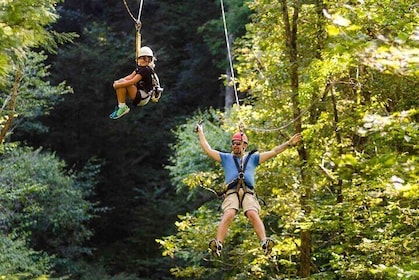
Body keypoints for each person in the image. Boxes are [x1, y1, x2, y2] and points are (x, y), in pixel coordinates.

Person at [196, 123, 302, 257]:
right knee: (228, 214)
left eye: (238, 143)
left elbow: (274, 152)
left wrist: (288, 143)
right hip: (232, 192)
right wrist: (200, 132)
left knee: (252, 213)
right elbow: (208, 149)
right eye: (233, 143)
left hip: (248, 192)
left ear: (244, 145)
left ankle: (264, 242)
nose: (235, 146)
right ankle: (218, 244)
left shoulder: (253, 158)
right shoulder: (226, 158)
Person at [109, 46, 163, 120]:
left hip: (143, 97)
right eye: (144, 58)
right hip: (140, 94)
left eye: (148, 59)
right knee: (122, 83)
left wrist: (117, 85)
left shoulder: (146, 70)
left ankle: (122, 107)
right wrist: (119, 81)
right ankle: (121, 106)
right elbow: (130, 77)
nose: (146, 60)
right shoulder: (140, 68)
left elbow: (132, 81)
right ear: (138, 59)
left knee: (123, 84)